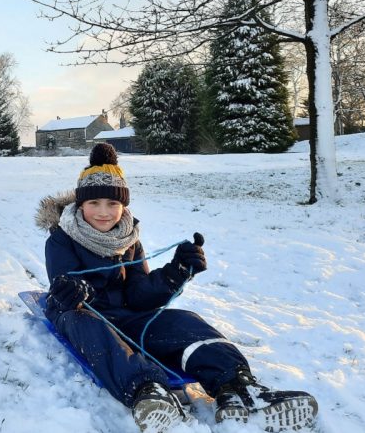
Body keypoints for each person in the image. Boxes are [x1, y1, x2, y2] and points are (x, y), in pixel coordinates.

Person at [35, 143, 318, 433]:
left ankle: (238, 391)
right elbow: (61, 279)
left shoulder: (129, 239)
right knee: (91, 328)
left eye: (113, 204)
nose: (104, 212)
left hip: (129, 315)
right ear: (81, 204)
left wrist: (175, 273)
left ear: (124, 206)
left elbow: (138, 293)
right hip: (79, 311)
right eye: (94, 203)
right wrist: (71, 288)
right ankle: (148, 391)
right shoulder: (62, 238)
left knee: (185, 321)